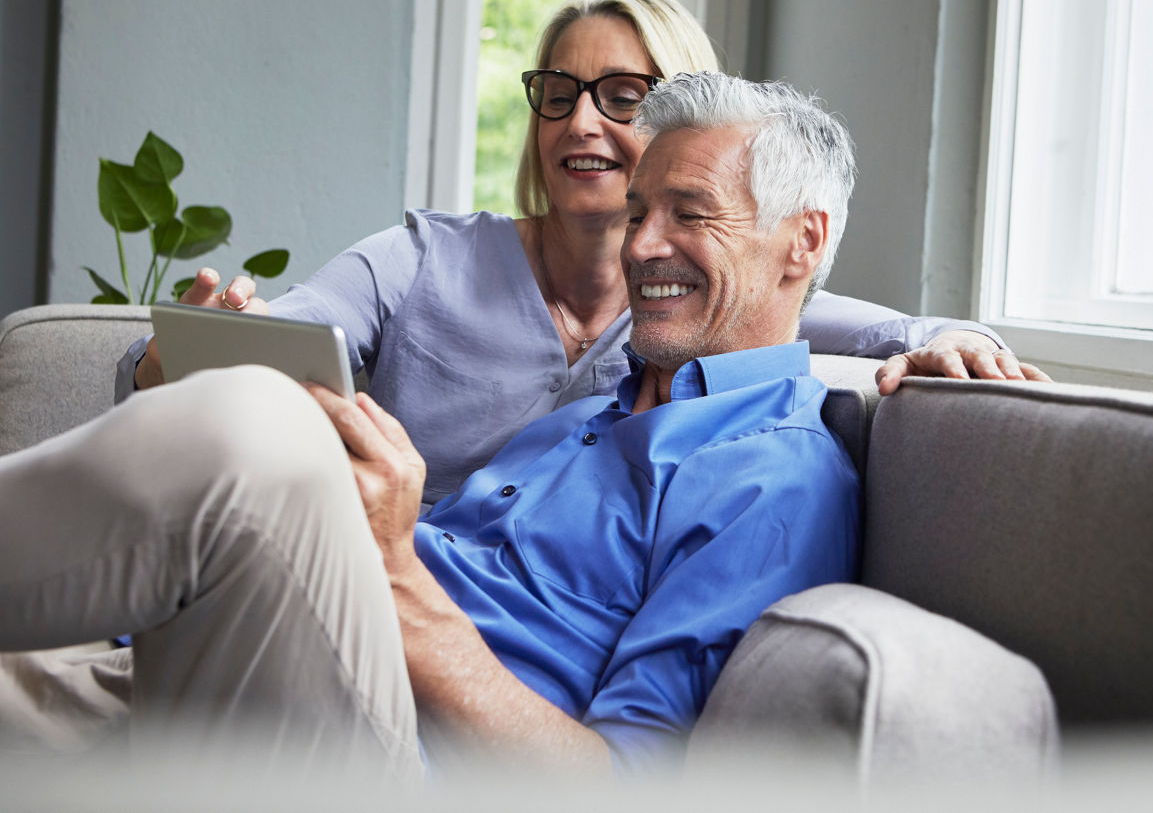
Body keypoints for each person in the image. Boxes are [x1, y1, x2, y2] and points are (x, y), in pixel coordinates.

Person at [2, 72, 872, 782]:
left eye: (688, 213)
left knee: (262, 421)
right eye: (639, 212)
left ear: (802, 243)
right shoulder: (584, 419)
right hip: (224, 663)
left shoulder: (776, 473)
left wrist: (388, 570)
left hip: (396, 759)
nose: (641, 245)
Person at [117, 0, 1044, 507]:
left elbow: (888, 324)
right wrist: (185, 347)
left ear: (687, 119)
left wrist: (957, 340)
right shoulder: (416, 260)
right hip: (385, 559)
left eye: (623, 94)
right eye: (557, 93)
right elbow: (273, 337)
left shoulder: (698, 300)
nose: (581, 121)